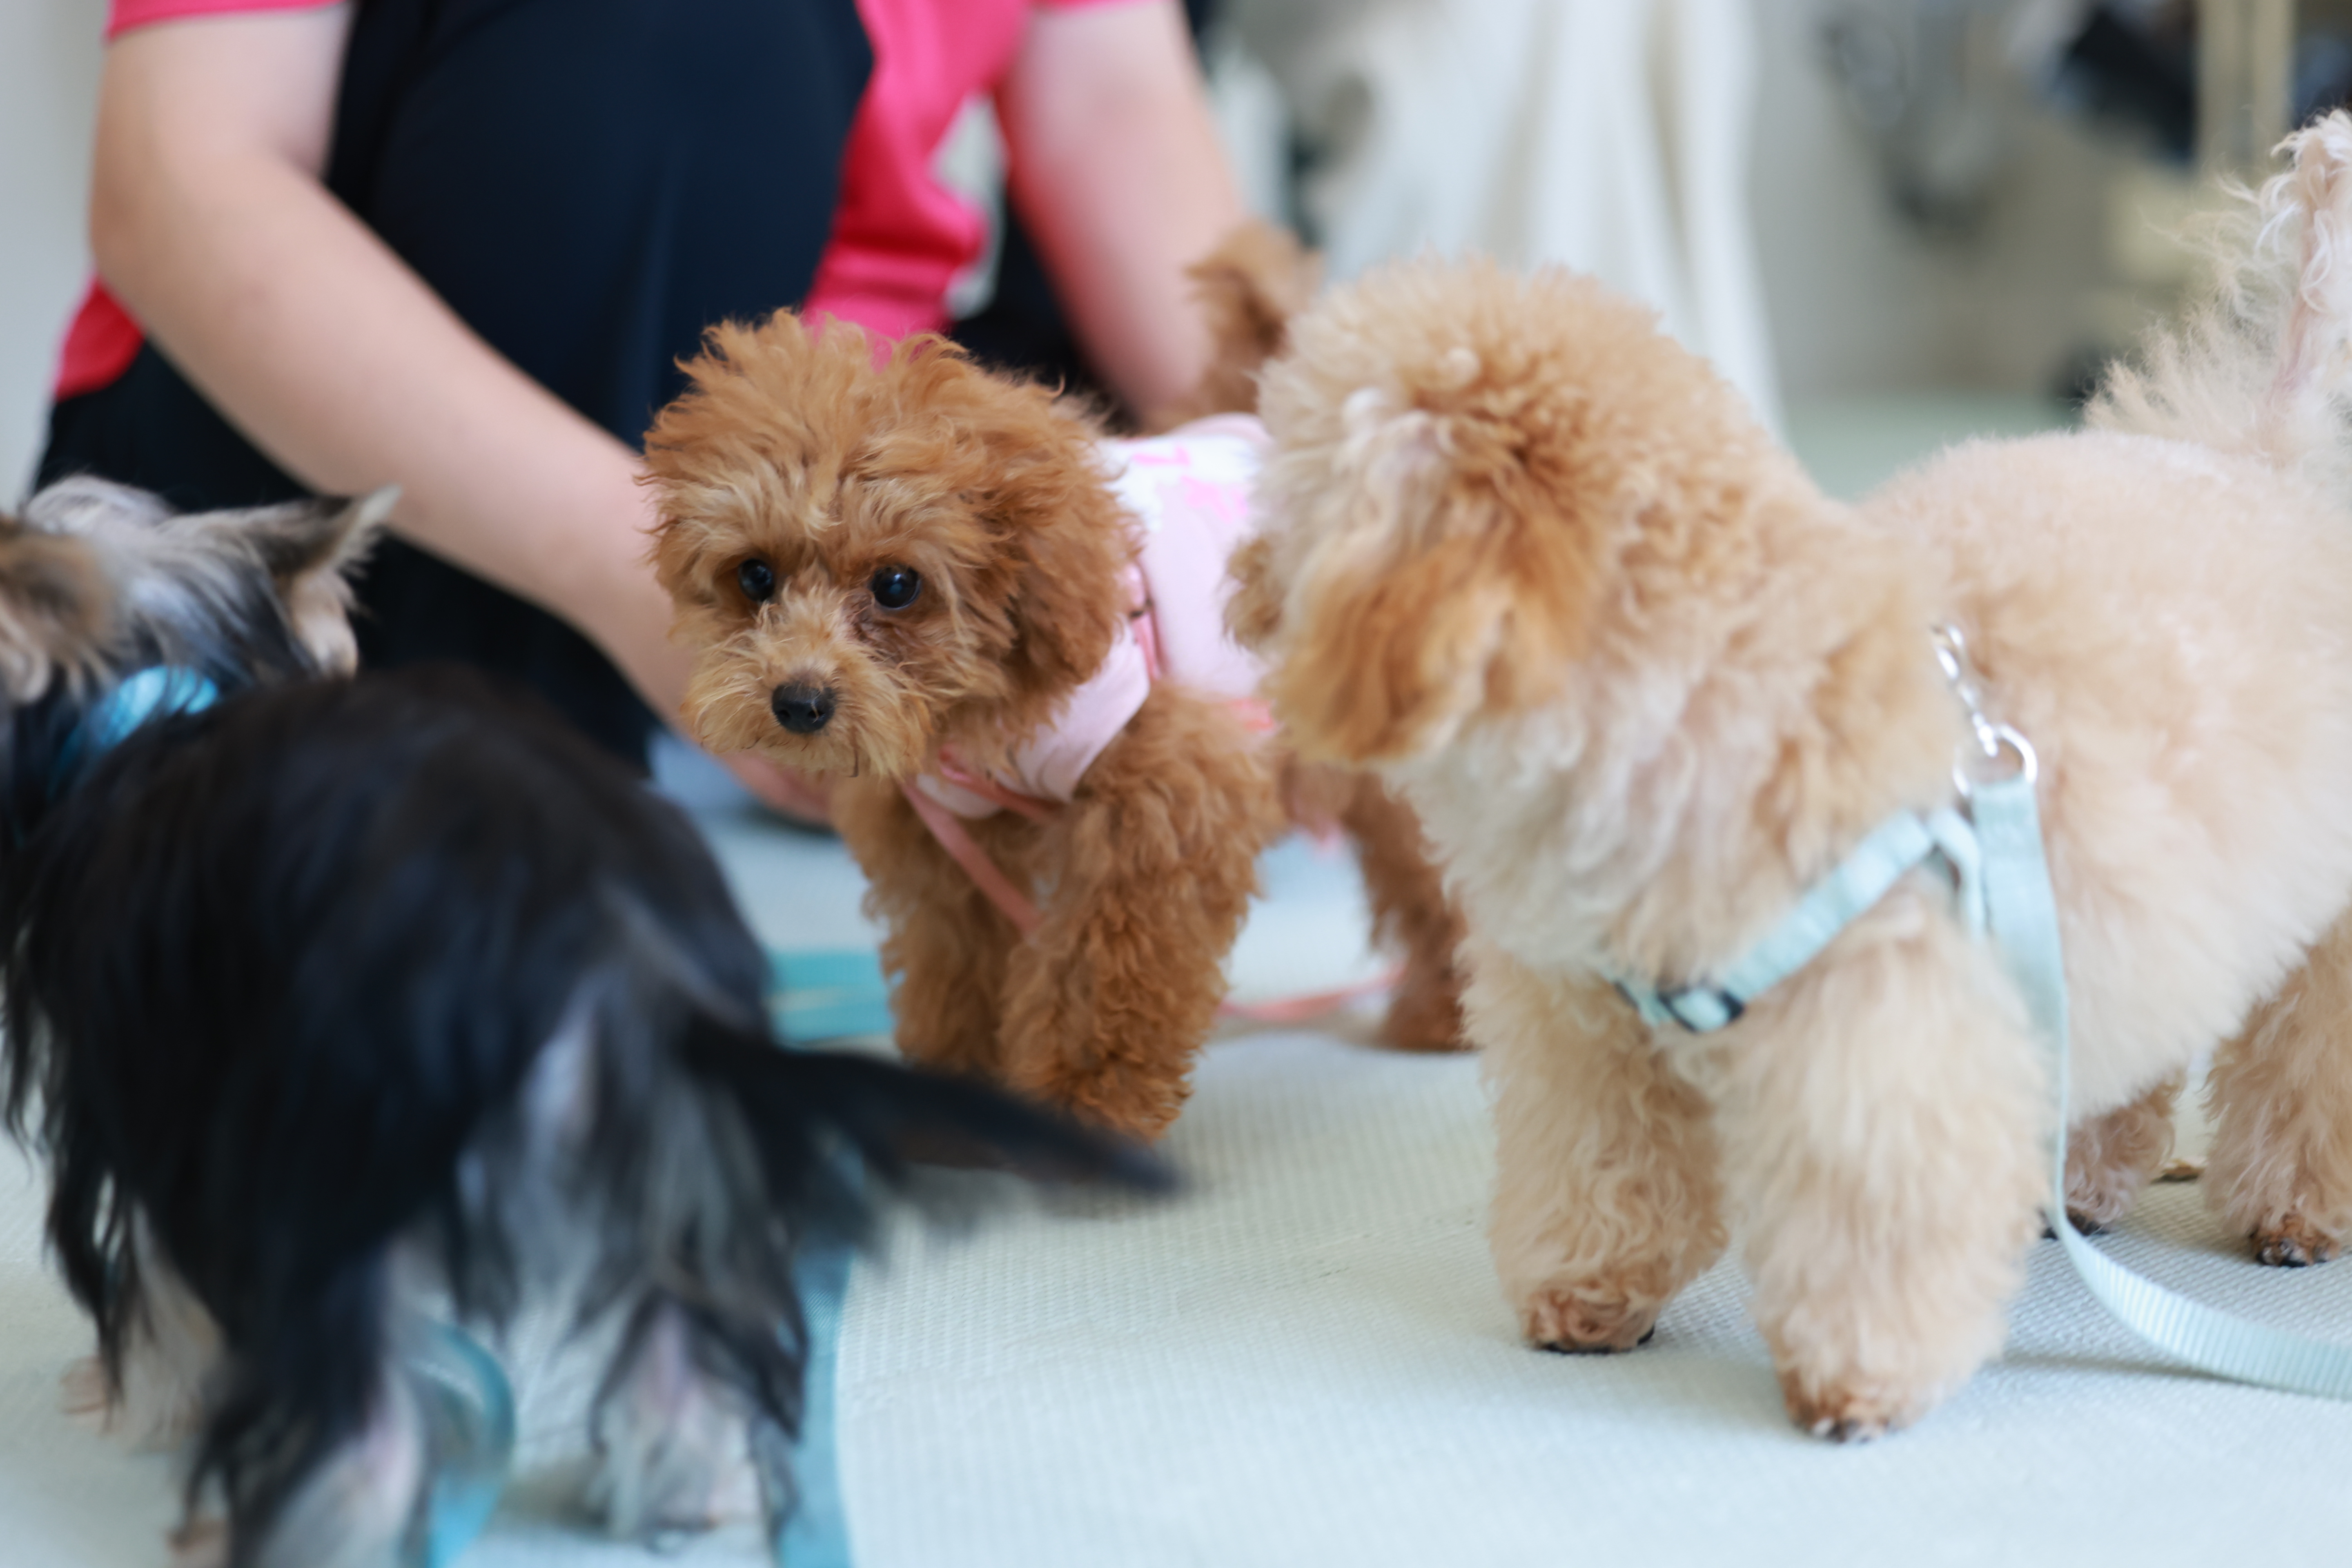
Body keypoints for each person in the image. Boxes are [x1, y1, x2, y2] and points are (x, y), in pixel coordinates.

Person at [39, 0, 1245, 816]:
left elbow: (1114, 109)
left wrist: (1282, 524)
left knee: (1051, 442)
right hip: (328, 489)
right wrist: (656, 589)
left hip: (803, 436)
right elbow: (180, 184)